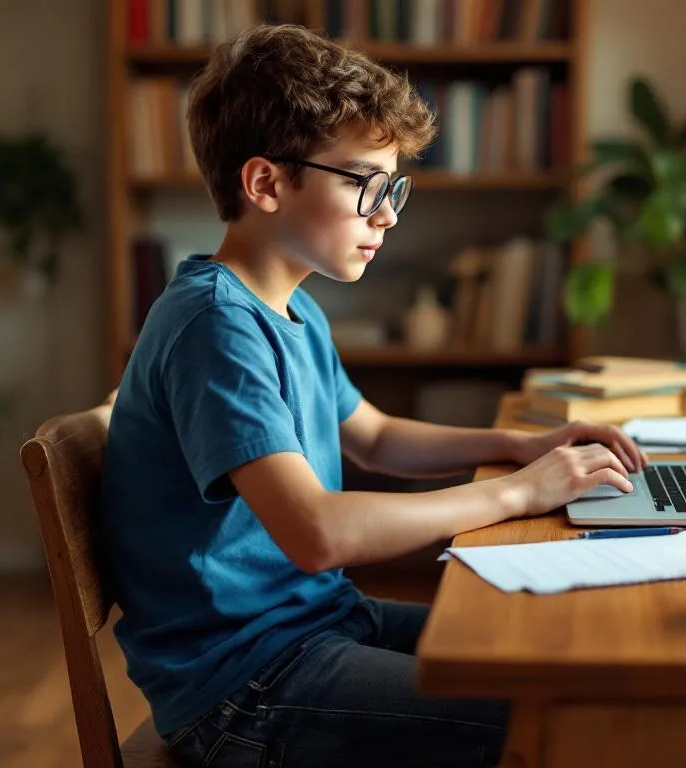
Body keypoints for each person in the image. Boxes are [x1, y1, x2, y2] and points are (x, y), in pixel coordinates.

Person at [100, 24, 647, 768]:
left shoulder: (289, 308)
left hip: (317, 627)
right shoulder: (214, 326)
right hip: (245, 687)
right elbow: (317, 533)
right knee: (560, 719)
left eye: (393, 188)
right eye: (364, 184)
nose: (387, 213)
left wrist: (517, 445)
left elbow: (377, 437)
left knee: (559, 663)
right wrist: (518, 493)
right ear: (265, 184)